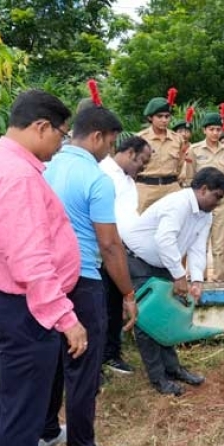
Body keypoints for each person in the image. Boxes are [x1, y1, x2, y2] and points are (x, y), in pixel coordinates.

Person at [0, 90, 84, 446]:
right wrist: (66, 318)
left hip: (4, 301)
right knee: (24, 414)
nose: (61, 144)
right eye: (61, 135)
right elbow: (30, 259)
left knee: (12, 403)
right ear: (40, 127)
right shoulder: (18, 175)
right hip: (25, 308)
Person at [42, 105, 138, 446]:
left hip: (47, 279)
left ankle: (47, 429)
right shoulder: (97, 179)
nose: (109, 151)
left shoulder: (47, 166)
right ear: (97, 137)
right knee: (82, 366)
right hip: (82, 279)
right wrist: (128, 293)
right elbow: (110, 245)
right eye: (111, 142)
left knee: (52, 357)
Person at [121, 167, 224, 396]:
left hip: (164, 263)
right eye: (216, 197)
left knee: (167, 316)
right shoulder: (178, 204)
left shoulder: (205, 214)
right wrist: (179, 276)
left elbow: (198, 246)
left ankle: (172, 368)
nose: (218, 203)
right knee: (148, 319)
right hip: (139, 261)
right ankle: (158, 378)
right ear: (203, 189)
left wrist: (197, 279)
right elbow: (164, 239)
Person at [99, 134, 152, 374]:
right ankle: (99, 359)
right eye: (142, 160)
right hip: (102, 251)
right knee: (100, 307)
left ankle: (110, 354)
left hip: (120, 249)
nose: (144, 166)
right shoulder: (104, 174)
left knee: (112, 304)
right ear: (130, 153)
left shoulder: (128, 180)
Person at [186, 112, 224, 282]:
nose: (215, 133)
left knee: (220, 243)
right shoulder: (194, 150)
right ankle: (197, 277)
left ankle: (219, 278)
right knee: (199, 242)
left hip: (221, 203)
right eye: (211, 129)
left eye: (218, 129)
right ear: (204, 130)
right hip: (200, 204)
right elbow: (190, 178)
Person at [136, 93, 184, 212]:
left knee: (173, 226)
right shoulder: (140, 139)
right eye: (160, 116)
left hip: (171, 189)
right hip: (146, 189)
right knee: (142, 226)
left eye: (167, 116)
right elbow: (133, 166)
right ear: (150, 118)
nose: (164, 120)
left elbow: (181, 164)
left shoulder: (177, 139)